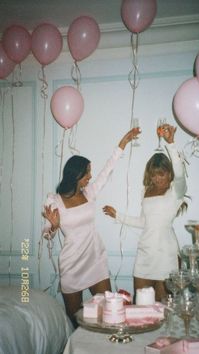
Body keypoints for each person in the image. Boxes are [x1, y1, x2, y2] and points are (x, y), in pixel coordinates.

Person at [42, 127, 140, 328]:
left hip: (95, 259)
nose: (90, 176)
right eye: (87, 173)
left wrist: (123, 143)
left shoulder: (89, 192)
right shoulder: (55, 201)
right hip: (71, 264)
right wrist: (53, 227)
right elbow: (47, 234)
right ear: (75, 175)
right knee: (75, 318)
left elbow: (108, 169)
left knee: (109, 311)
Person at [103, 124, 187, 302]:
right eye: (154, 174)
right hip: (145, 254)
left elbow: (180, 174)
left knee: (163, 309)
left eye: (161, 174)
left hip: (166, 255)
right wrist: (117, 215)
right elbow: (143, 222)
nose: (157, 178)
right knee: (141, 306)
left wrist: (170, 144)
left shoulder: (176, 191)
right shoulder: (145, 192)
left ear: (169, 173)